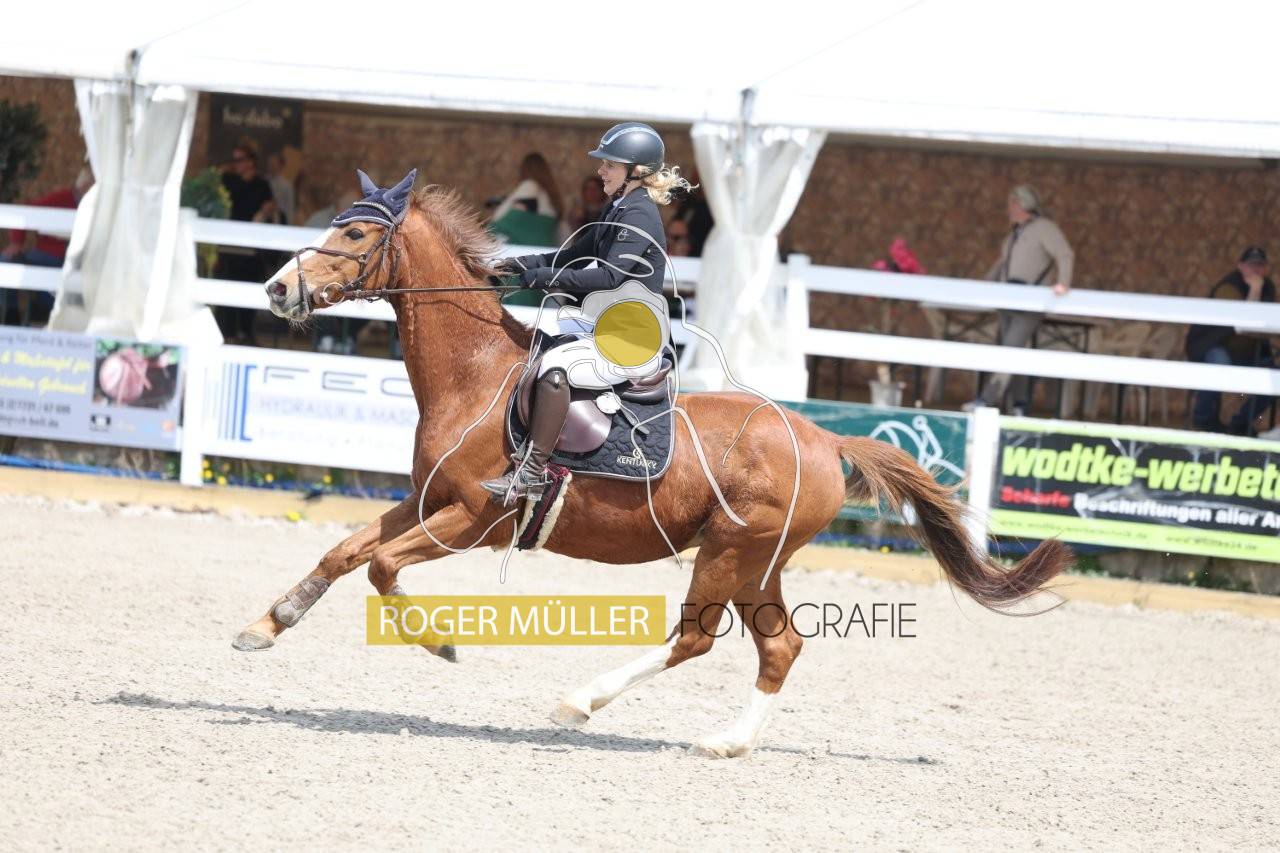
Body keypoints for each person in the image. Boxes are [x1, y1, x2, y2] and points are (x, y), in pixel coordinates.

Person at [482, 122, 689, 504]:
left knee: (556, 367)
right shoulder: (618, 208)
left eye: (610, 164)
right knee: (540, 350)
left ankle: (531, 472)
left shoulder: (640, 214)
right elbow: (573, 254)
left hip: (633, 338)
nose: (601, 170)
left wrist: (540, 278)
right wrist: (516, 265)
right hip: (608, 327)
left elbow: (609, 277)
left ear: (636, 171)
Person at [964, 184, 1074, 414]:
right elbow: (1002, 265)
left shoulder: (1044, 228)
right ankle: (1020, 405)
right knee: (1012, 350)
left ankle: (987, 399)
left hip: (1030, 302)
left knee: (1010, 348)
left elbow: (1064, 253)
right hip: (1007, 301)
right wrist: (981, 287)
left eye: (1012, 204)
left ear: (1022, 204)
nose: (1009, 209)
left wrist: (1063, 282)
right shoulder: (1013, 236)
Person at [1186, 246, 1276, 434]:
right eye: (1251, 265)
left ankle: (1240, 424)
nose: (1255, 270)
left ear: (1265, 268)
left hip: (1248, 353)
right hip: (1213, 346)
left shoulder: (1268, 287)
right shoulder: (1228, 288)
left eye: (1260, 265)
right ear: (1240, 266)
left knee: (1274, 375)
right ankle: (1204, 420)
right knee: (1219, 362)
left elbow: (1266, 324)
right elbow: (1245, 322)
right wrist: (1255, 290)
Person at [1, 167, 92, 326]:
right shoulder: (63, 198)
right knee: (7, 261)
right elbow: (26, 212)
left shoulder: (98, 207)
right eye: (91, 187)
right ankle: (11, 314)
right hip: (49, 255)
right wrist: (17, 242)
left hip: (78, 260)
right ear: (83, 186)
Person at [216, 143, 276, 344]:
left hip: (251, 246)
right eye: (234, 160)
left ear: (251, 162)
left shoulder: (262, 185)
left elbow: (267, 208)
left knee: (249, 286)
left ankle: (245, 332)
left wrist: (266, 211)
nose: (236, 164)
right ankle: (226, 333)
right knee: (226, 287)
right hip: (229, 243)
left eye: (240, 160)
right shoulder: (228, 180)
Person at [490, 152, 566, 244]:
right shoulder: (550, 194)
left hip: (529, 245)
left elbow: (500, 217)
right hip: (545, 245)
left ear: (525, 170)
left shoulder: (530, 185)